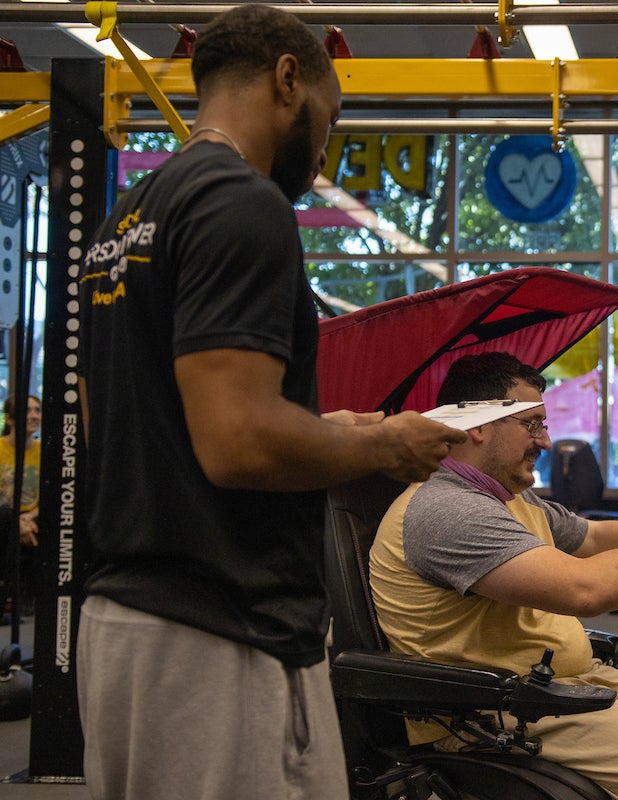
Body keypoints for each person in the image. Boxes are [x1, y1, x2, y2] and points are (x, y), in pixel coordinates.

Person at [75, 6, 465, 800]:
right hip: (221, 637)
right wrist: (385, 445)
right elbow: (240, 443)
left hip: (122, 628)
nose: (327, 145)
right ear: (290, 80)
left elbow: (135, 425)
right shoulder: (241, 202)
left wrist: (326, 431)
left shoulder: (129, 217)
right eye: (332, 115)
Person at [370, 352, 618, 800]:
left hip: (556, 688)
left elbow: (592, 537)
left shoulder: (507, 497)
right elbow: (586, 589)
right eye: (532, 424)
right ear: (478, 426)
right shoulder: (447, 509)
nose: (547, 440)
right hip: (491, 709)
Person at [0, 394, 41, 615]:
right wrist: (17, 521)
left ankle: (28, 595)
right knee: (6, 520)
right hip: (4, 518)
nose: (34, 416)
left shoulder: (44, 451)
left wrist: (29, 518)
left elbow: (51, 494)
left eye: (37, 410)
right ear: (10, 419)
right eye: (27, 411)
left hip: (30, 521)